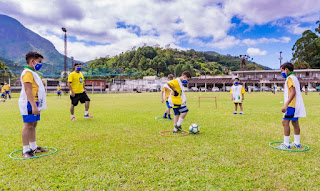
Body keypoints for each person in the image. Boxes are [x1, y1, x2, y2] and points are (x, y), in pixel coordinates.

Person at [19, 52, 48, 158]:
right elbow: (28, 90)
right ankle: (26, 150)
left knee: (34, 124)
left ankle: (34, 147)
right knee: (28, 125)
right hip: (29, 102)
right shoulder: (27, 73)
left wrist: (37, 105)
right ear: (32, 61)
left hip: (35, 102)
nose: (40, 64)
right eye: (39, 62)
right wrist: (34, 106)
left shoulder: (32, 72)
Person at [277, 62, 306, 149]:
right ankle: (297, 143)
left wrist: (286, 104)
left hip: (291, 105)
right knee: (295, 122)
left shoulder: (289, 78)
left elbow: (293, 93)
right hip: (295, 105)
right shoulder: (294, 78)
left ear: (286, 69)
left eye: (282, 70)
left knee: (285, 122)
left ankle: (286, 144)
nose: (282, 73)